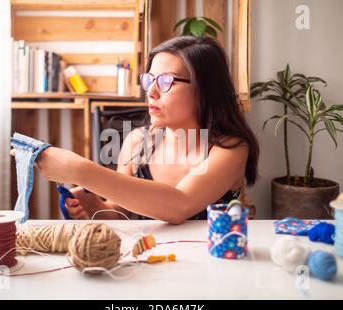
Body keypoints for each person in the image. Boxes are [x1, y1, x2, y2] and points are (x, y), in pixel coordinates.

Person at [22, 36, 259, 224]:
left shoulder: (230, 149)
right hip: (150, 265)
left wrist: (80, 170)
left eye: (167, 81)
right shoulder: (138, 142)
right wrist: (92, 204)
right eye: (150, 80)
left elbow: (180, 205)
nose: (152, 92)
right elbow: (119, 214)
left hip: (210, 268)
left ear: (205, 89)